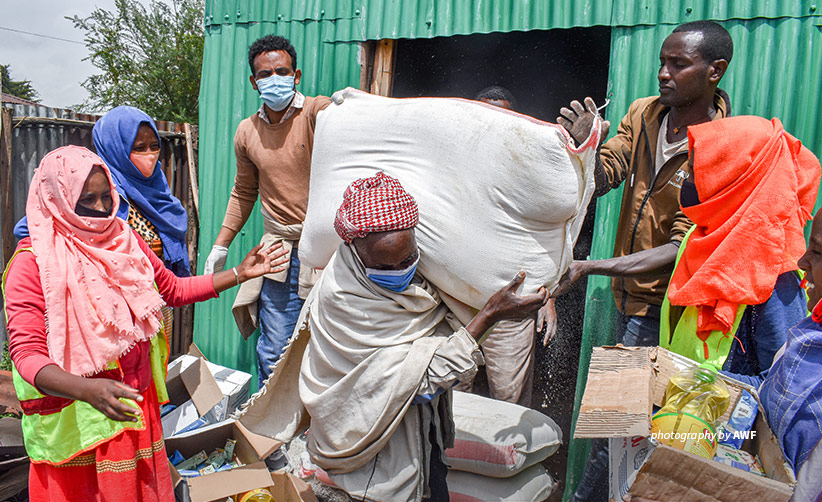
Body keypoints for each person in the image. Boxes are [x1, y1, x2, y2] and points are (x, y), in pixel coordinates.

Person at [3, 146, 288, 501]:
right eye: (86, 200)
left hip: (134, 407)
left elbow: (173, 289)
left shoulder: (123, 241)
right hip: (78, 423)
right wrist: (86, 390)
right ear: (56, 200)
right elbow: (27, 355)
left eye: (107, 196)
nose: (102, 209)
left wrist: (239, 273)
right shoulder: (32, 265)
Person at [559, 20, 734, 501]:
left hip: (670, 310)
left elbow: (680, 250)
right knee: (619, 427)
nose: (663, 73)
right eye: (662, 61)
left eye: (678, 64)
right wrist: (584, 147)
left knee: (622, 429)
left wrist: (590, 267)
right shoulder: (644, 114)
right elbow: (608, 172)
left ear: (714, 70)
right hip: (629, 301)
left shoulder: (722, 147)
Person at [299, 172, 547, 501]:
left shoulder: (423, 280)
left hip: (425, 437)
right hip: (373, 462)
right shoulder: (344, 299)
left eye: (407, 259)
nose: (399, 271)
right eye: (385, 266)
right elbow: (421, 383)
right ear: (357, 252)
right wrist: (488, 316)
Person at [201, 35, 332, 386]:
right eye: (266, 74)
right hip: (280, 251)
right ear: (253, 81)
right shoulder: (247, 132)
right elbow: (244, 191)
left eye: (282, 71)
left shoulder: (319, 114)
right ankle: (272, 437)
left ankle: (319, 434)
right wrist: (221, 244)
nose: (275, 79)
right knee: (275, 348)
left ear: (297, 75)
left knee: (329, 347)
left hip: (328, 250)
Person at [660, 116, 818, 374]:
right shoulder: (699, 236)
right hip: (679, 405)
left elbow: (779, 381)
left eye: (696, 171)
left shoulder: (777, 274)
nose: (685, 181)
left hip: (718, 411)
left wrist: (704, 389)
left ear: (733, 182)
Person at [452, 85, 538, 407]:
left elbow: (544, 233)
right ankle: (449, 459)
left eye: (501, 117)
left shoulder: (530, 170)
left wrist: (548, 292)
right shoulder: (451, 166)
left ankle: (512, 457)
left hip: (510, 306)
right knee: (453, 394)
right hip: (456, 302)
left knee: (508, 400)